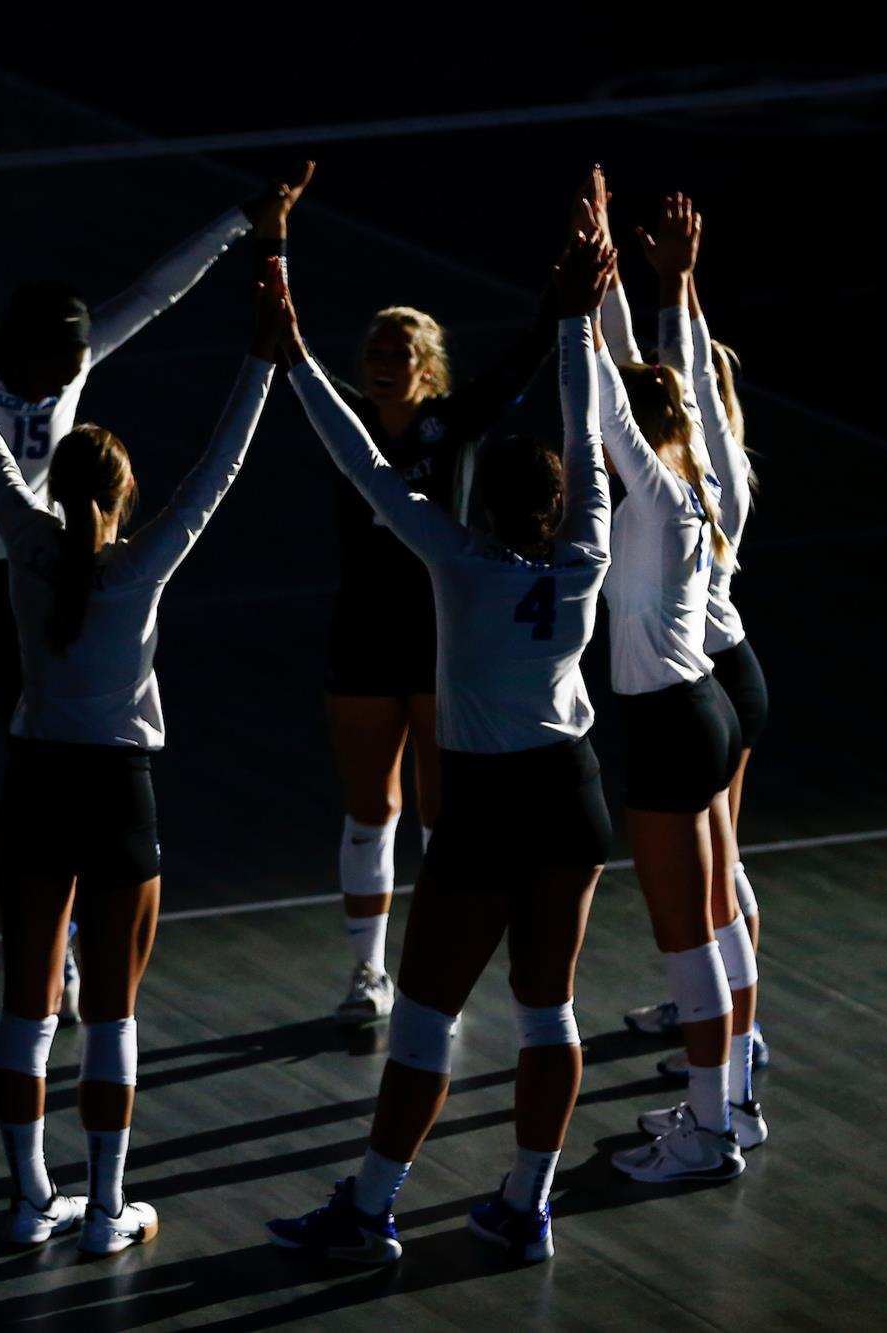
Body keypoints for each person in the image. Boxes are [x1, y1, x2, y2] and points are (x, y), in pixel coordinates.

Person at [0, 148, 312, 1044]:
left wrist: (241, 221)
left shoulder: (72, 359)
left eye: (77, 367)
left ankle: (57, 945)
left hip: (42, 580)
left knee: (50, 769)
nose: (69, 378)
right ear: (19, 349)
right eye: (57, 366)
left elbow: (153, 295)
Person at [0, 237, 284, 1253]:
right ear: (126, 496)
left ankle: (26, 1197)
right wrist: (263, 354)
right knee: (113, 1013)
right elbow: (220, 466)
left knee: (25, 1003)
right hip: (117, 791)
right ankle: (103, 1208)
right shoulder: (139, 567)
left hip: (35, 783)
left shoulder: (21, 538)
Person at [267, 232, 615, 1265]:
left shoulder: (454, 559)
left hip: (486, 808)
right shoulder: (585, 554)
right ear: (555, 508)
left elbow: (362, 464)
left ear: (483, 501)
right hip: (573, 795)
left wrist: (290, 357)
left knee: (422, 1021)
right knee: (545, 1008)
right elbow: (588, 434)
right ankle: (523, 1200)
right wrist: (575, 318)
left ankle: (368, 1208)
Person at [569, 177, 763, 1181]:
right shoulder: (699, 478)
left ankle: (708, 1127)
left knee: (685, 931)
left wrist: (583, 295)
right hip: (709, 707)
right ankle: (730, 1097)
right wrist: (663, 284)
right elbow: (665, 374)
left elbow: (608, 388)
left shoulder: (644, 488)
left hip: (668, 722)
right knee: (715, 912)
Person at [319, 256, 558, 1027]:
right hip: (361, 638)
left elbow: (520, 362)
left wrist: (562, 301)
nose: (384, 364)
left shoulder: (451, 423)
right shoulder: (345, 419)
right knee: (369, 809)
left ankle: (436, 973)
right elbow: (284, 369)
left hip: (438, 639)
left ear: (428, 368)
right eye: (375, 353)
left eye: (400, 353)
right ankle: (367, 972)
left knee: (440, 810)